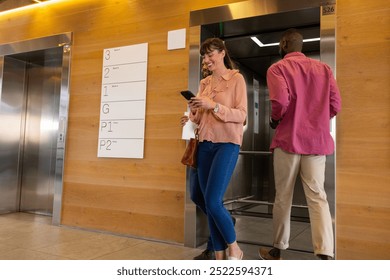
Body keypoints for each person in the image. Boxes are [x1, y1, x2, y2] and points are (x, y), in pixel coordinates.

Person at [259, 28, 341, 260]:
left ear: (284, 43)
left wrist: (275, 119)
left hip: (288, 141)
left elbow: (280, 101)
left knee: (283, 196)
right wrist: (317, 121)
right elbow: (335, 104)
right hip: (317, 143)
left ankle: (277, 249)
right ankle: (325, 253)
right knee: (318, 196)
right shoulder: (324, 69)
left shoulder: (278, 68)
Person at [188, 37, 247, 260]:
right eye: (204, 55)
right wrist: (192, 113)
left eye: (210, 54)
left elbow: (242, 115)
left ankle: (234, 247)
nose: (207, 59)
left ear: (222, 53)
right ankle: (220, 255)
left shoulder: (236, 79)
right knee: (207, 200)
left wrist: (214, 106)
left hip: (227, 144)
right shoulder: (204, 83)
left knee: (213, 201)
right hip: (204, 144)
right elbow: (199, 118)